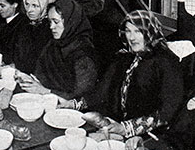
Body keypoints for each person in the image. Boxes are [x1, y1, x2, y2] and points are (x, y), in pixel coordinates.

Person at [59, 10, 184, 138]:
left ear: (150, 31)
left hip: (148, 136)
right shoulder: (125, 57)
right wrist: (74, 104)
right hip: (115, 126)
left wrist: (127, 128)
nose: (131, 37)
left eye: (138, 31)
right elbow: (101, 91)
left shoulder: (166, 62)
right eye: (128, 31)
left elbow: (168, 111)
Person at [20, 0, 97, 99]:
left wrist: (45, 91)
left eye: (56, 22)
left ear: (71, 22)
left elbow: (80, 98)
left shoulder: (83, 54)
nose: (51, 27)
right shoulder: (53, 44)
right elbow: (39, 73)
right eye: (50, 22)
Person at [12, 0, 55, 74]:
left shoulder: (50, 29)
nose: (29, 10)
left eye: (35, 6)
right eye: (27, 4)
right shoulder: (25, 22)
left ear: (46, 6)